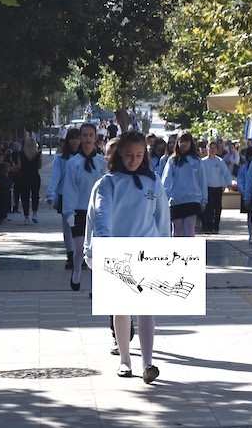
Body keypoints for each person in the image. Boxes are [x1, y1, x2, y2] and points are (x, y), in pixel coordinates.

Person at [84, 131, 170, 383]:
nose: (134, 160)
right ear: (119, 155)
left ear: (145, 156)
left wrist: (165, 249)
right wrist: (101, 249)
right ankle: (124, 359)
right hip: (118, 252)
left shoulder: (153, 182)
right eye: (129, 155)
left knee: (147, 311)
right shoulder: (107, 183)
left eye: (139, 155)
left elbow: (162, 220)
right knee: (121, 310)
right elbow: (101, 218)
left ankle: (148, 363)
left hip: (148, 252)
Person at [62, 123, 106, 291]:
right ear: (80, 138)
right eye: (85, 135)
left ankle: (96, 286)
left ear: (95, 137)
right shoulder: (73, 163)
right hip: (80, 210)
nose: (87, 138)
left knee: (98, 249)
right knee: (80, 249)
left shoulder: (102, 162)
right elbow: (70, 188)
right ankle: (77, 270)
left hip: (99, 211)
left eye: (90, 135)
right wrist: (69, 211)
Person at [161, 130, 207, 238]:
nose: (184, 144)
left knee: (190, 231)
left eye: (187, 141)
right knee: (177, 231)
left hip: (192, 199)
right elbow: (166, 180)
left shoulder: (197, 161)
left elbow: (202, 181)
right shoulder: (172, 160)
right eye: (182, 141)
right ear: (178, 143)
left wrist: (203, 200)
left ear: (191, 143)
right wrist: (164, 198)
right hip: (176, 201)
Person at [47, 127, 81, 270]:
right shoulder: (61, 159)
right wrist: (51, 194)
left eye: (77, 138)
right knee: (68, 227)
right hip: (65, 195)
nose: (74, 141)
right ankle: (70, 255)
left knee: (81, 228)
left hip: (82, 197)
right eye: (71, 138)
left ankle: (80, 255)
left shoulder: (88, 159)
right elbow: (55, 176)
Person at [202, 141, 230, 234]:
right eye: (210, 148)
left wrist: (227, 184)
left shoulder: (220, 161)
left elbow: (225, 173)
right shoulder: (203, 162)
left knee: (218, 208)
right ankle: (208, 227)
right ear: (207, 149)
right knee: (208, 208)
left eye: (214, 148)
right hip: (207, 187)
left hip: (218, 187)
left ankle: (216, 226)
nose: (212, 150)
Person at [17, 135, 42, 224]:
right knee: (35, 195)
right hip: (34, 176)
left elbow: (19, 166)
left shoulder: (22, 154)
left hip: (24, 176)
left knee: (25, 196)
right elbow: (40, 166)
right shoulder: (37, 154)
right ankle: (34, 213)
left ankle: (26, 216)